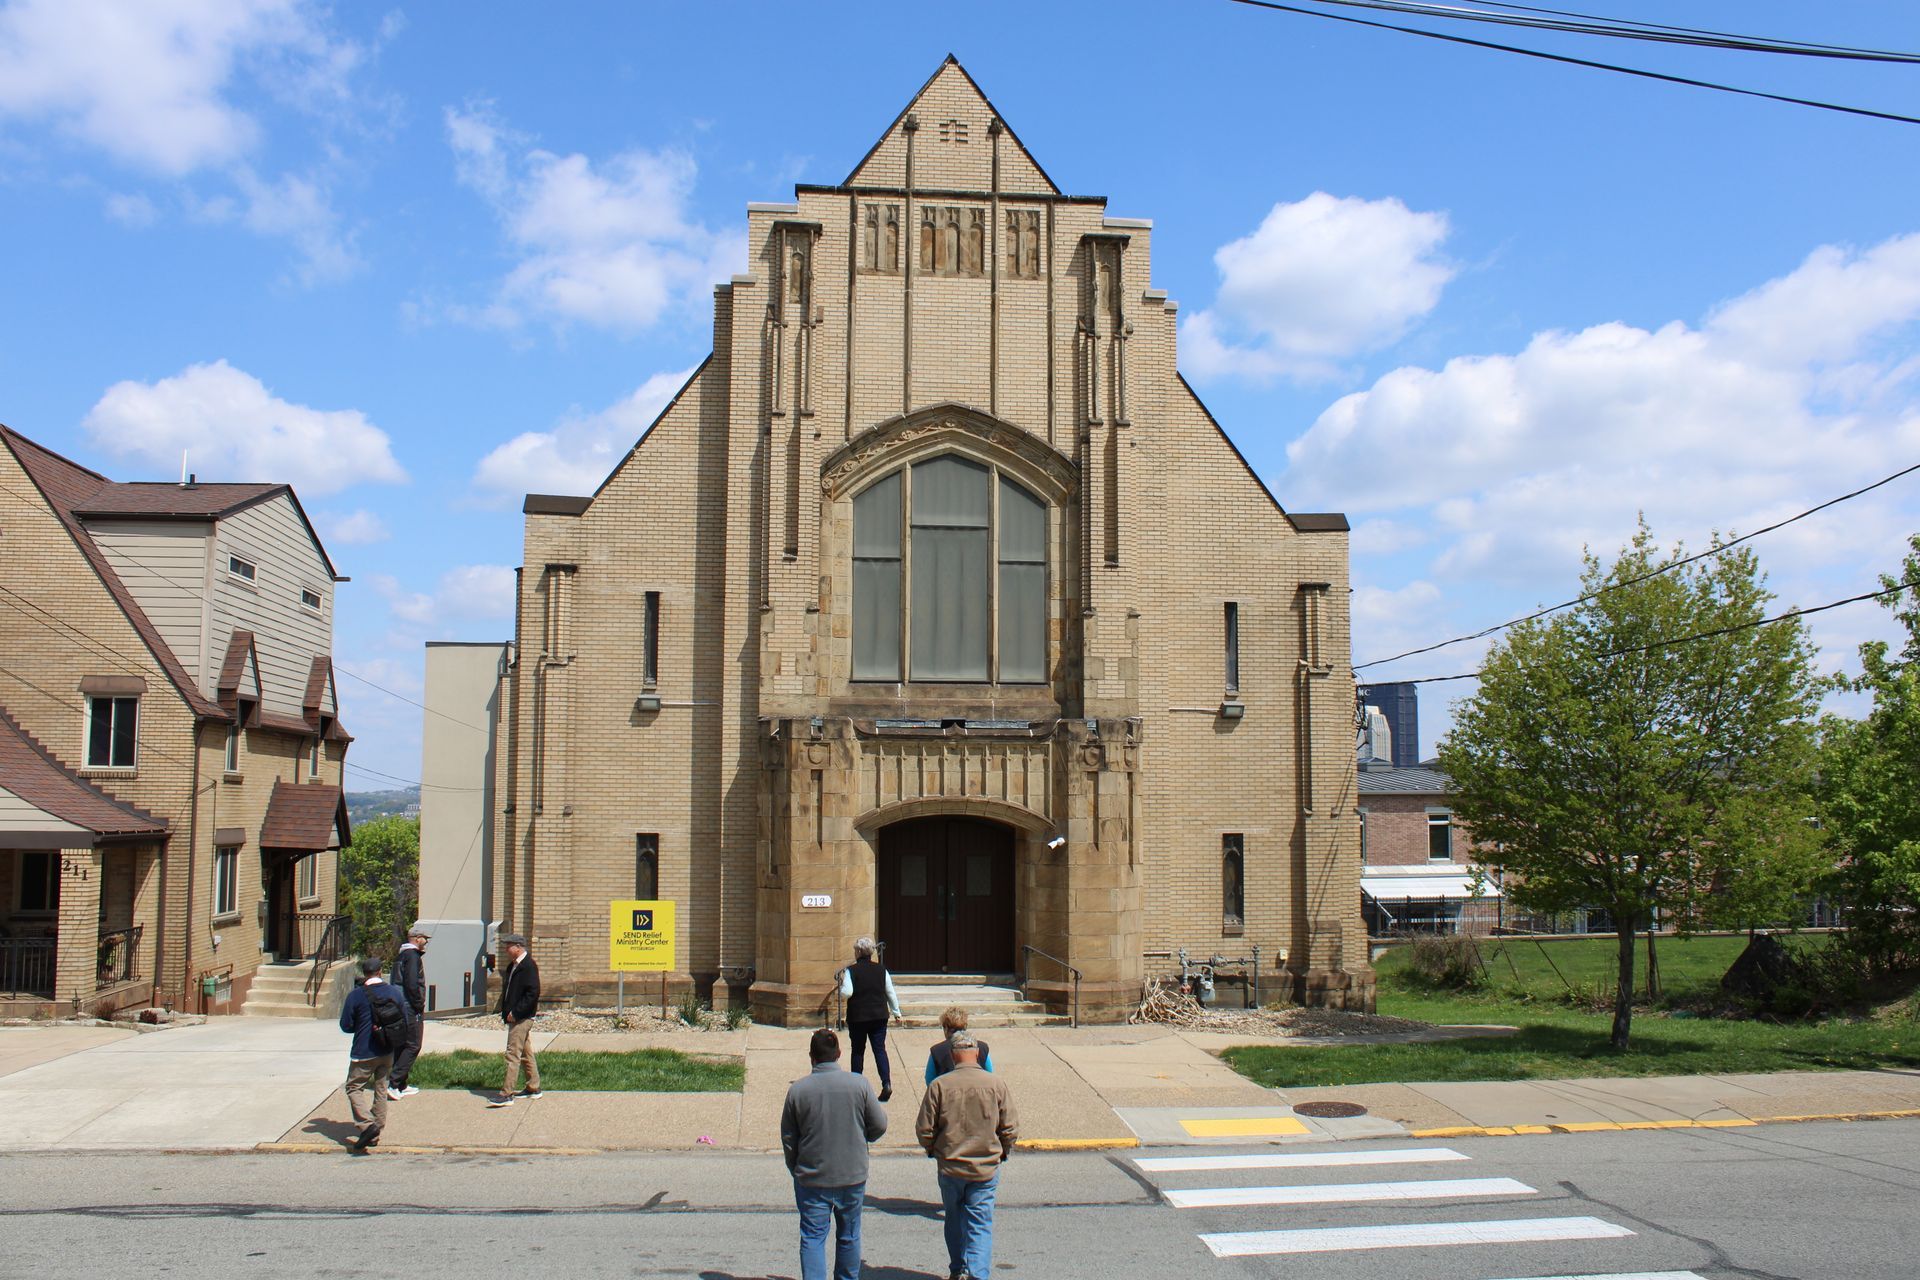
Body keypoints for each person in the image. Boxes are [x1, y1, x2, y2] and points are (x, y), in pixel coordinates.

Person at [780, 1028, 889, 1280]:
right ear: (839, 1054)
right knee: (849, 1235)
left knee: (813, 1237)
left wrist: (796, 1167)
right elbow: (879, 1125)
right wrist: (864, 1138)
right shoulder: (859, 1084)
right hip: (852, 1175)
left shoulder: (798, 1090)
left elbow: (789, 1137)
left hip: (812, 1176)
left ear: (811, 1056)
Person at [916, 1030, 1018, 1280]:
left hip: (950, 1165)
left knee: (954, 1218)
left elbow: (924, 1129)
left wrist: (934, 1150)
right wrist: (1002, 1151)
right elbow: (1010, 1127)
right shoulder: (996, 1084)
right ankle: (978, 1275)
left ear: (953, 1056)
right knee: (980, 1224)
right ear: (977, 1054)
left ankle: (957, 1268)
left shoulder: (939, 1086)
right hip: (985, 1166)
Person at [338, 955, 412, 1152]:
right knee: (381, 1088)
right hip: (387, 1049)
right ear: (380, 972)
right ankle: (376, 1130)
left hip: (364, 1050)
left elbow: (346, 1025)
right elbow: (404, 1018)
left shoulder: (356, 995)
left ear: (364, 973)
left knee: (354, 1087)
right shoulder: (394, 992)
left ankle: (366, 1124)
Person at [838, 936, 900, 1101]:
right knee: (879, 1049)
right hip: (879, 1015)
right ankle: (886, 1083)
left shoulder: (851, 971)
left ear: (858, 952)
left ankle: (857, 1087)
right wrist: (897, 1012)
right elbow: (890, 992)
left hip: (858, 1016)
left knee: (858, 1050)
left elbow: (847, 993)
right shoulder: (881, 970)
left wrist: (842, 987)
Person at [488, 932, 541, 1107]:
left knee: (512, 1054)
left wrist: (516, 1012)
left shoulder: (528, 966)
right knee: (526, 1053)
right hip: (515, 1016)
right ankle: (533, 1087)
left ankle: (506, 1094)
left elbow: (533, 993)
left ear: (518, 947)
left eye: (508, 946)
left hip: (522, 1017)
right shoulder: (513, 966)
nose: (506, 949)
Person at [388, 925, 430, 1099]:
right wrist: (419, 1004)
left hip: (399, 1005)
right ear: (416, 938)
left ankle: (401, 1085)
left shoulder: (401, 955)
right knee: (413, 1044)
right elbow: (412, 984)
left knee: (403, 1044)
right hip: (409, 1007)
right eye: (424, 938)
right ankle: (394, 1083)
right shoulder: (412, 957)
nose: (426, 941)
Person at [925, 1007, 994, 1084]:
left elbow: (930, 1080)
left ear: (946, 1028)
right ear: (965, 1026)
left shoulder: (937, 1050)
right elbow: (990, 1073)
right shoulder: (982, 1047)